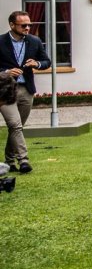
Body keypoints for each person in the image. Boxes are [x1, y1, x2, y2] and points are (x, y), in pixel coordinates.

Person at [1, 11, 51, 174]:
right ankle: (24, 160)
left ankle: (9, 160)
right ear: (12, 25)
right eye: (24, 25)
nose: (28, 28)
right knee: (15, 124)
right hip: (5, 90)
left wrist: (36, 63)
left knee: (17, 127)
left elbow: (46, 62)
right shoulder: (1, 41)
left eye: (29, 25)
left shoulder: (34, 41)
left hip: (26, 89)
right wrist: (5, 72)